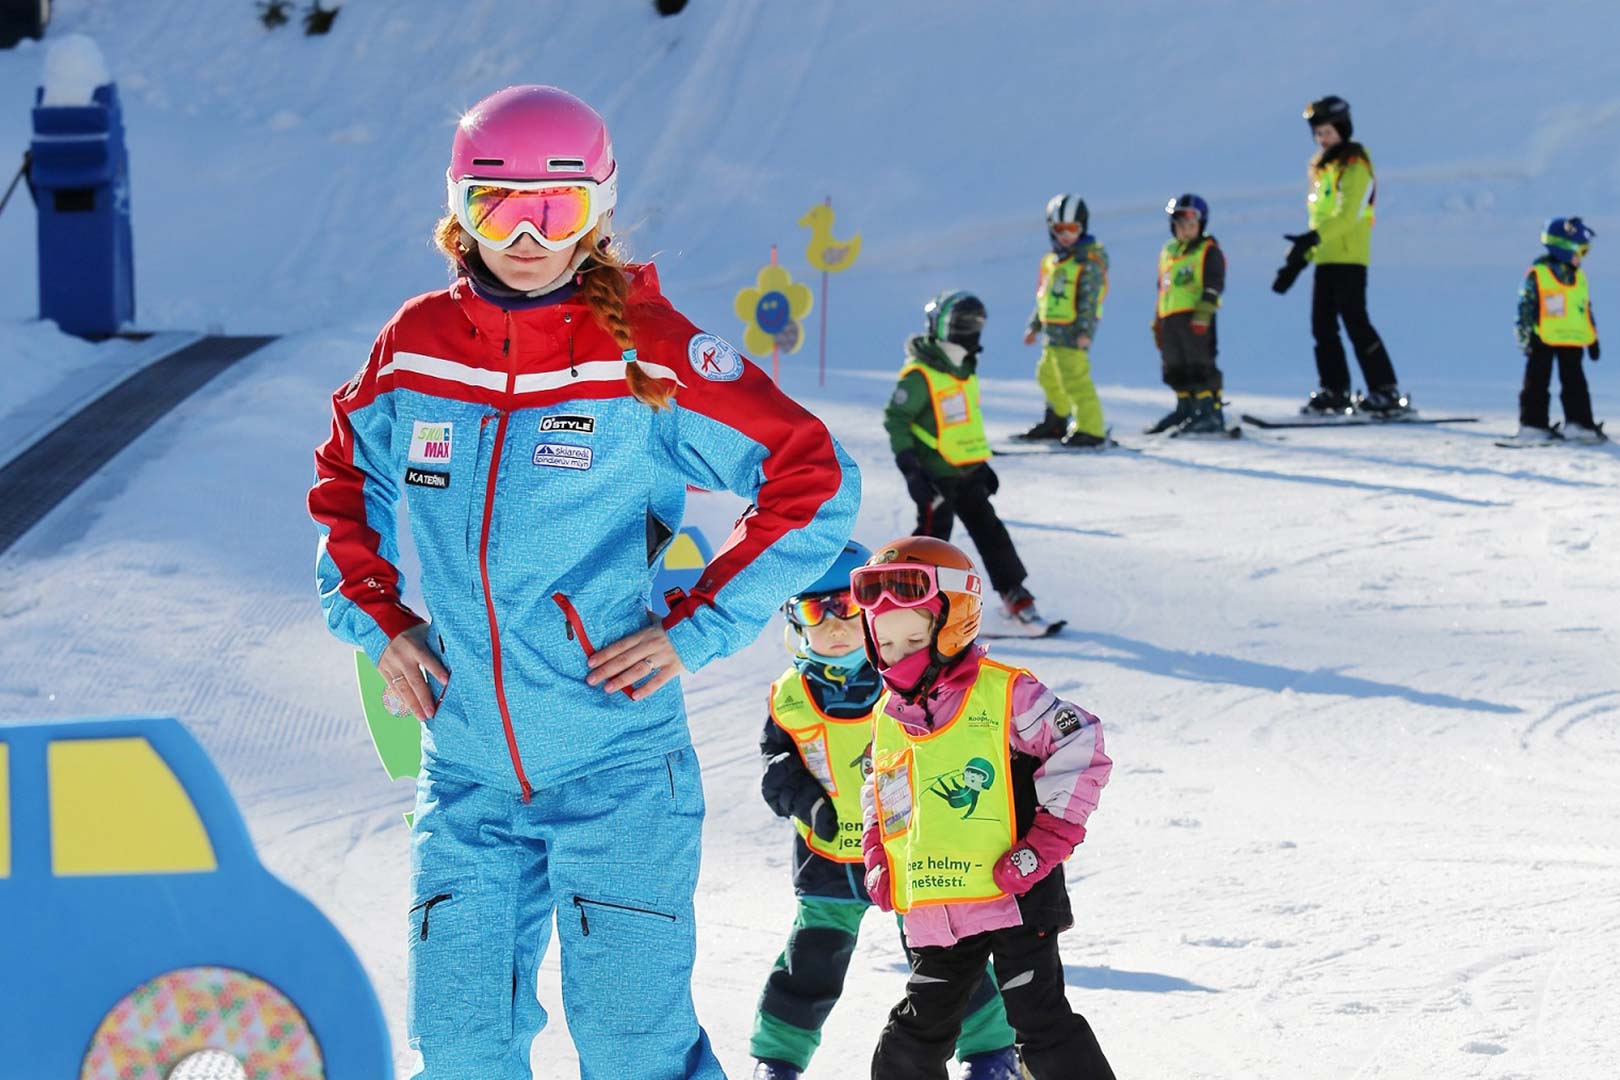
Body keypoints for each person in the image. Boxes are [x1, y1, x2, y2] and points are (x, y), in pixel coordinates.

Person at [308, 84, 860, 1080]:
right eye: (497, 207)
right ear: (458, 211)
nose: (526, 237)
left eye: (554, 210)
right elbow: (346, 478)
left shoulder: (646, 348)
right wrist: (378, 619)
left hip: (617, 770)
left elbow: (812, 478)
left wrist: (695, 628)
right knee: (463, 1050)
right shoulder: (419, 344)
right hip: (467, 769)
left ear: (598, 210)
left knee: (631, 1050)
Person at [750, 542, 1024, 1080]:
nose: (834, 625)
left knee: (944, 955)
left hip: (909, 852)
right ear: (794, 622)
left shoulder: (905, 682)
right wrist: (804, 801)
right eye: (814, 610)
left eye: (846, 608)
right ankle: (777, 1059)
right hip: (828, 856)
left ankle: (992, 1052)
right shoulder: (789, 696)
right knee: (811, 960)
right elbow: (776, 765)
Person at [853, 537, 1115, 1080]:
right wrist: (878, 854)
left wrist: (1047, 839)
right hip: (938, 901)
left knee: (1039, 1018)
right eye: (888, 641)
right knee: (916, 1031)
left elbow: (1080, 744)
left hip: (1017, 892)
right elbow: (882, 793)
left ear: (953, 625)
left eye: (914, 638)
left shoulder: (1006, 693)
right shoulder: (886, 717)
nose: (900, 654)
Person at [884, 290, 1048, 630]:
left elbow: (965, 423)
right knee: (931, 545)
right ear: (941, 326)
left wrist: (981, 464)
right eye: (961, 324)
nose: (969, 332)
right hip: (935, 476)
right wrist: (911, 470)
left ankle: (1015, 596)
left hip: (967, 472)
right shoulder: (920, 375)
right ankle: (910, 605)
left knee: (991, 532)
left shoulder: (964, 369)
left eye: (973, 325)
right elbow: (896, 420)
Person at [1272, 95, 1411, 418]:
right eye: (1318, 134)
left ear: (1343, 130)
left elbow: (1348, 216)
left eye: (1328, 132)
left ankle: (1385, 389)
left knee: (1355, 323)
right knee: (1322, 328)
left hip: (1350, 258)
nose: (1322, 139)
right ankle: (1335, 390)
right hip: (1326, 258)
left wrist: (1312, 238)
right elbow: (1320, 220)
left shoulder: (1355, 166)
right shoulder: (1324, 168)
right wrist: (1300, 258)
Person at [1017, 193, 1111, 447]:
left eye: (1072, 229)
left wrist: (1085, 331)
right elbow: (1044, 297)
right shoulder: (1053, 261)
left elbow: (1089, 301)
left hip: (1072, 333)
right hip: (1052, 333)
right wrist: (1034, 326)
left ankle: (1091, 429)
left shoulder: (1087, 262)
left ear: (1082, 227)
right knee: (1047, 375)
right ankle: (1057, 419)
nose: (1066, 235)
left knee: (1075, 380)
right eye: (1060, 229)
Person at [1513, 216, 1605, 443]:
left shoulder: (1579, 277)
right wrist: (1524, 337)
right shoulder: (1539, 274)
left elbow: (1584, 308)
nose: (1582, 257)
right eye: (1580, 251)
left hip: (1573, 340)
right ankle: (1533, 425)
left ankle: (1579, 424)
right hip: (1542, 338)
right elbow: (1525, 307)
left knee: (1575, 384)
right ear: (1564, 249)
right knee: (1536, 383)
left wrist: (1593, 338)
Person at [1148, 194, 1229, 435]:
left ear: (1201, 225)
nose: (1185, 230)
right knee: (1175, 364)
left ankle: (1209, 411)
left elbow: (1214, 283)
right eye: (1180, 225)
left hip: (1195, 318)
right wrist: (1158, 320)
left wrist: (1204, 312)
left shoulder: (1207, 250)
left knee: (1199, 362)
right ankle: (1185, 407)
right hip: (1170, 318)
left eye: (1191, 225)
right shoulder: (1169, 252)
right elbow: (1162, 288)